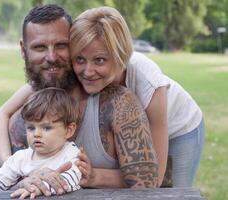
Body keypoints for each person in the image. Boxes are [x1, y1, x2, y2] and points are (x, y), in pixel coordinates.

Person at [0, 4, 158, 194]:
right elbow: (10, 183)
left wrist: (93, 176)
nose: (51, 57)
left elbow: (147, 185)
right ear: (23, 50)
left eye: (61, 45)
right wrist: (21, 180)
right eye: (39, 47)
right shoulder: (25, 119)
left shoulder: (119, 104)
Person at [69, 6, 205, 187]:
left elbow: (153, 179)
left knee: (174, 191)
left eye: (99, 60)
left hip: (180, 128)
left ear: (120, 55)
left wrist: (95, 176)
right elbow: (32, 88)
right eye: (79, 59)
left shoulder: (148, 81)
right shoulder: (82, 73)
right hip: (139, 129)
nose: (87, 71)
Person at [0, 88, 81, 199]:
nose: (36, 134)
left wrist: (39, 188)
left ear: (69, 130)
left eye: (46, 128)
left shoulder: (71, 154)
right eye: (31, 128)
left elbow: (69, 180)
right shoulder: (20, 158)